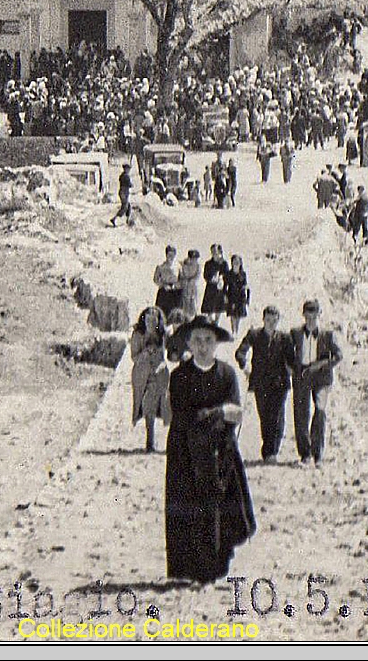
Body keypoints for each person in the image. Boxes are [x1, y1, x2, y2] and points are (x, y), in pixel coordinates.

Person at [165, 314, 256, 584]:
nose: (203, 346)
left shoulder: (227, 374)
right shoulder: (179, 376)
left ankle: (217, 565)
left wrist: (221, 414)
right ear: (189, 345)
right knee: (188, 507)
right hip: (186, 451)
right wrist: (217, 413)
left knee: (221, 509)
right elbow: (182, 414)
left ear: (216, 343)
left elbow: (237, 412)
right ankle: (189, 569)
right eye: (197, 341)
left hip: (221, 452)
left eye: (208, 340)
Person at [287, 299, 343, 465]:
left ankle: (317, 453)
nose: (311, 320)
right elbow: (287, 354)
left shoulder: (328, 335)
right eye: (308, 316)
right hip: (302, 375)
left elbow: (339, 356)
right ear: (303, 315)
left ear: (319, 315)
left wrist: (322, 364)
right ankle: (305, 454)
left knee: (320, 410)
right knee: (301, 414)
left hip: (322, 377)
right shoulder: (295, 333)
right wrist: (290, 369)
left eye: (314, 316)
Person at [234, 305, 292, 462]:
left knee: (276, 415)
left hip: (280, 383)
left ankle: (270, 452)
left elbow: (291, 359)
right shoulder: (254, 335)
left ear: (278, 321)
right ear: (263, 320)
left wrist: (292, 370)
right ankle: (270, 449)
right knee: (265, 416)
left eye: (274, 321)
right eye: (268, 320)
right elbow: (240, 352)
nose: (271, 324)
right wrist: (245, 367)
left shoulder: (285, 338)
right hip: (260, 383)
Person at [131, 306, 172, 453]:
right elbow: (134, 357)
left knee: (162, 406)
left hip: (159, 374)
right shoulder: (137, 334)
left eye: (154, 320)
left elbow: (169, 354)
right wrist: (145, 353)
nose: (150, 322)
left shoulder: (163, 335)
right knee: (147, 405)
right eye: (148, 319)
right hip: (142, 375)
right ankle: (150, 442)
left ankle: (167, 443)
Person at [200, 244, 230, 322]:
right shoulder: (208, 263)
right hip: (210, 289)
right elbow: (205, 275)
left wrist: (221, 278)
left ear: (220, 252)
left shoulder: (224, 264)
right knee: (209, 311)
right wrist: (211, 278)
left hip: (220, 290)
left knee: (218, 311)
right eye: (212, 252)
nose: (214, 254)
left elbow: (227, 276)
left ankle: (216, 324)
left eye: (215, 252)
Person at [224, 254, 250, 336]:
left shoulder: (243, 274)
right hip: (231, 295)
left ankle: (236, 330)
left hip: (240, 296)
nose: (236, 263)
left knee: (238, 315)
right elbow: (225, 286)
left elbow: (245, 285)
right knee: (232, 314)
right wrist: (225, 296)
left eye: (238, 262)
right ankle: (233, 330)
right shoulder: (228, 274)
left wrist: (247, 298)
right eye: (234, 262)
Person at [153, 245, 182, 315]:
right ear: (166, 255)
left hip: (175, 292)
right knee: (162, 313)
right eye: (169, 255)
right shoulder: (160, 266)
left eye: (173, 255)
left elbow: (181, 279)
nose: (171, 257)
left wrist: (176, 285)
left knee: (174, 313)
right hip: (164, 292)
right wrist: (163, 285)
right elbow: (155, 279)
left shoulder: (178, 266)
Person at [178, 250, 202, 317]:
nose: (193, 260)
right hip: (185, 287)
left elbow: (197, 276)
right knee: (185, 305)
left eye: (195, 259)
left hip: (193, 287)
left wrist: (192, 280)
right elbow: (181, 275)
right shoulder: (184, 265)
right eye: (192, 258)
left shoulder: (198, 266)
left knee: (194, 304)